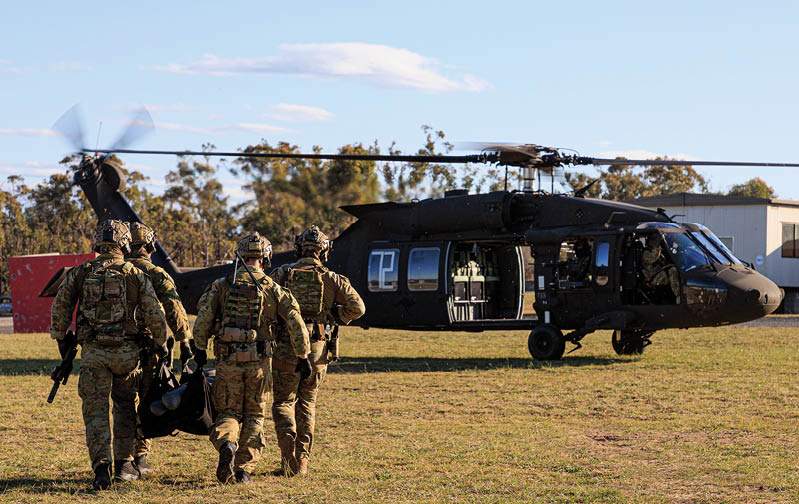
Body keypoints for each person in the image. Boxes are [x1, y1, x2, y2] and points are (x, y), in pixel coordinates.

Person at [50, 219, 168, 490]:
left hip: (93, 354)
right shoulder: (134, 273)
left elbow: (60, 308)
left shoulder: (82, 271)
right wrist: (160, 344)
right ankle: (125, 465)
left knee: (95, 412)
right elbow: (154, 312)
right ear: (125, 243)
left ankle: (101, 468)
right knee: (125, 407)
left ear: (97, 243)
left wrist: (63, 341)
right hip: (128, 355)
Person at [192, 232, 310, 484]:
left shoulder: (222, 285)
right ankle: (244, 470)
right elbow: (296, 323)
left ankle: (226, 443)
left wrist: (199, 349)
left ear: (241, 255)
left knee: (228, 412)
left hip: (227, 362)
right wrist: (303, 356)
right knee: (256, 416)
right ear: (265, 257)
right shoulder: (273, 288)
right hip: (259, 364)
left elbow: (202, 319)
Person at [270, 226, 365, 476]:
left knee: (283, 402)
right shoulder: (332, 278)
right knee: (307, 404)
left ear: (299, 247)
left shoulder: (282, 273)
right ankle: (301, 462)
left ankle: (287, 458)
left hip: (285, 346)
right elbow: (358, 308)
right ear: (324, 251)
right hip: (317, 349)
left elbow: (264, 304)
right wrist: (333, 316)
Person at [125, 222, 193, 476]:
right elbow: (175, 310)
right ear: (150, 246)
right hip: (152, 349)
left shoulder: (117, 271)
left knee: (123, 403)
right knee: (148, 400)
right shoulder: (156, 273)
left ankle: (123, 458)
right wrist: (185, 342)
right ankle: (141, 457)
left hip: (118, 348)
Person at [641, 235, 680, 302]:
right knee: (672, 270)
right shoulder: (645, 253)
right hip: (653, 279)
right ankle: (678, 295)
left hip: (659, 274)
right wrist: (657, 245)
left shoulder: (659, 252)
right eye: (654, 240)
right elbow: (653, 257)